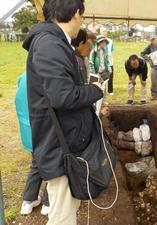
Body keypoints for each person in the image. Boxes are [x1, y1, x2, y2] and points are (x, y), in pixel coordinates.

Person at [23, 0, 104, 224]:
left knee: (66, 212)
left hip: (64, 142)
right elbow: (64, 96)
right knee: (63, 218)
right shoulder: (50, 44)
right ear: (77, 13)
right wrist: (94, 90)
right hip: (59, 146)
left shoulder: (55, 42)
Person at [15, 72, 49, 216]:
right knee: (55, 165)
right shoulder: (46, 75)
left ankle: (28, 201)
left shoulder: (23, 77)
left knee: (36, 164)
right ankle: (49, 203)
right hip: (43, 131)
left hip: (28, 131)